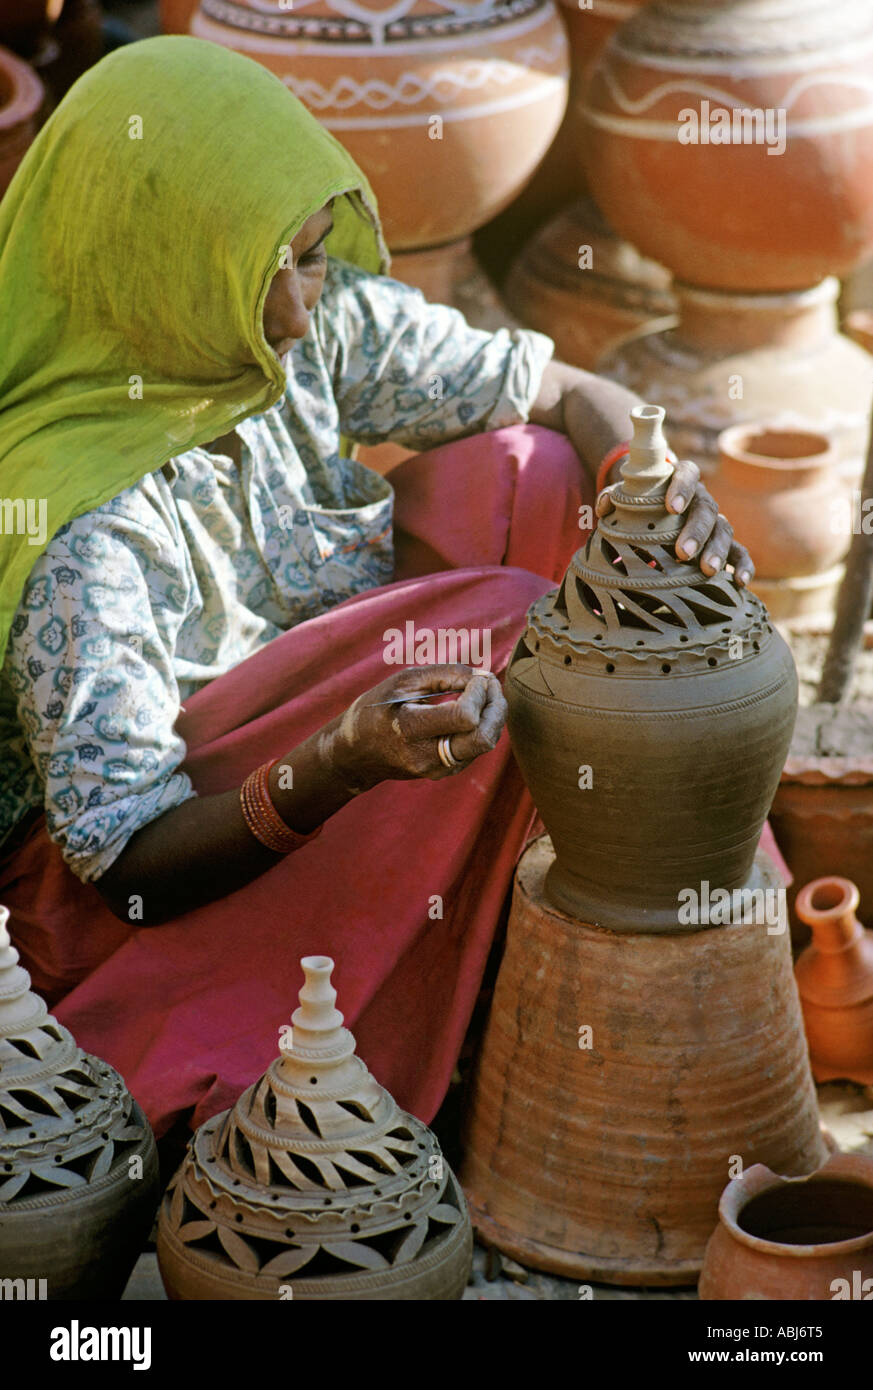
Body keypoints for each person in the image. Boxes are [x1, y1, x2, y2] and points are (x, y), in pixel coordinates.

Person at [0, 36, 754, 1136]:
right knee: (510, 630)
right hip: (148, 887)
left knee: (533, 473)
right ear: (158, 269)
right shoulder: (84, 526)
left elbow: (552, 387)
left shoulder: (303, 328)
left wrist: (644, 476)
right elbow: (129, 867)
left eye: (310, 256)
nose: (304, 307)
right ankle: (430, 968)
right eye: (271, 275)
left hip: (324, 704)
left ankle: (538, 881)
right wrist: (336, 765)